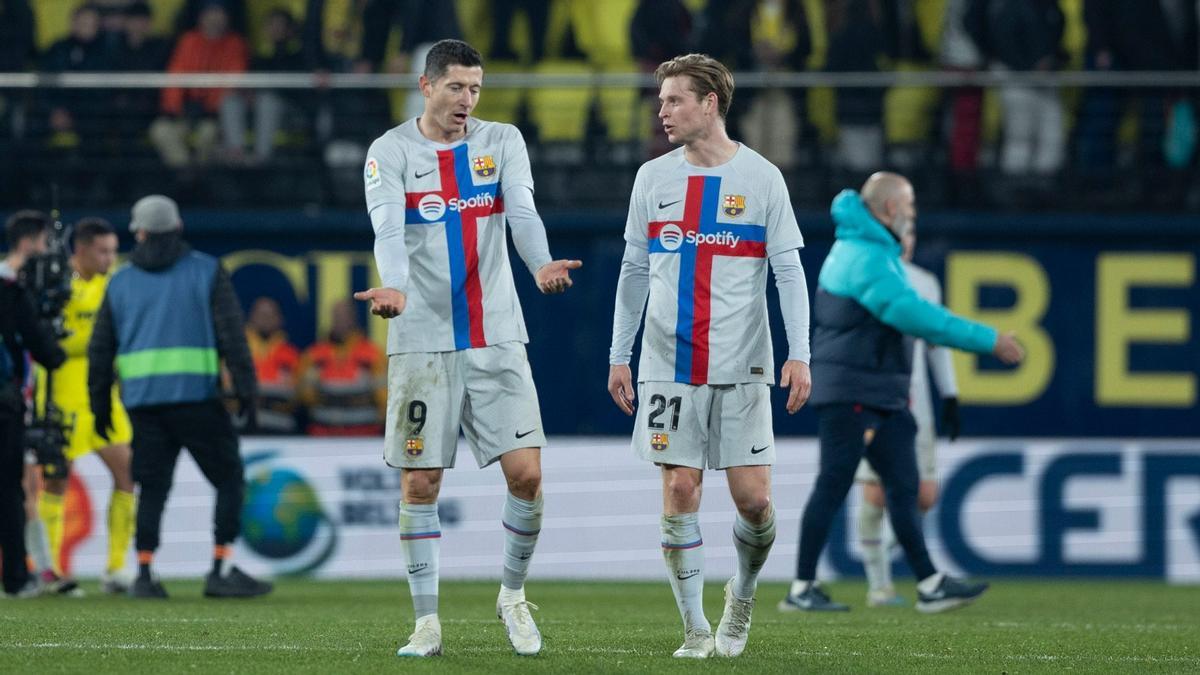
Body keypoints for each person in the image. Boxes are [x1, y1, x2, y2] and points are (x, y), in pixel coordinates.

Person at [353, 38, 581, 658]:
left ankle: (512, 594)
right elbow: (388, 229)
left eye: (475, 88)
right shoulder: (390, 151)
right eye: (455, 87)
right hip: (422, 338)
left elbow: (523, 212)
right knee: (420, 482)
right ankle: (427, 622)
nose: (467, 99)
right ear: (425, 87)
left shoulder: (501, 141)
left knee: (527, 475)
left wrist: (537, 266)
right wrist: (395, 287)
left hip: (497, 332)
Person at [608, 53, 812, 659]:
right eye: (661, 100)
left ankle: (743, 592)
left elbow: (789, 273)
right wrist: (620, 354)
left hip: (743, 364)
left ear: (709, 104)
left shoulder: (762, 178)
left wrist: (799, 354)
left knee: (754, 502)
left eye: (674, 100)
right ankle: (696, 627)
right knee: (680, 490)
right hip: (667, 365)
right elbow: (633, 271)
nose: (662, 111)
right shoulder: (653, 179)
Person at [779, 172, 1024, 614]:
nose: (911, 216)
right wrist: (989, 340)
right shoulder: (867, 257)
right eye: (908, 208)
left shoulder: (864, 249)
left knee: (904, 486)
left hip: (877, 393)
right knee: (834, 485)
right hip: (854, 390)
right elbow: (916, 316)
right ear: (891, 209)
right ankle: (801, 589)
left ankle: (929, 583)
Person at [87, 194, 271, 600]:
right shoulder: (206, 271)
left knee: (150, 487)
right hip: (198, 400)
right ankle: (220, 569)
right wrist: (247, 393)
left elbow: (101, 351)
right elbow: (232, 338)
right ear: (178, 228)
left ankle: (145, 574)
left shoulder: (119, 282)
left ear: (139, 232)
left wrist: (98, 405)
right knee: (228, 480)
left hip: (143, 404)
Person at [854, 221, 959, 607]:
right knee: (876, 491)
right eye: (902, 232)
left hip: (918, 403)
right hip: (876, 397)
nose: (908, 240)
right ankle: (878, 585)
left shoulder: (926, 283)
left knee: (925, 495)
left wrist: (950, 393)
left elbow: (938, 340)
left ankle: (880, 562)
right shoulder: (863, 274)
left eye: (912, 232)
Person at [31, 218, 137, 595]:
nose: (111, 257)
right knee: (56, 481)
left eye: (113, 250)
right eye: (103, 251)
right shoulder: (57, 285)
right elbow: (47, 342)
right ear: (81, 249)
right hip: (62, 395)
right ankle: (51, 570)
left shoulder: (116, 284)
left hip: (103, 397)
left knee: (127, 474)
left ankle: (116, 569)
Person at [1, 212, 66, 598]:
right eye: (44, 243)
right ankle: (16, 578)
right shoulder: (12, 292)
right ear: (29, 242)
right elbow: (48, 353)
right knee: (10, 491)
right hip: (6, 404)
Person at [299, 298, 385, 436]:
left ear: (354, 318)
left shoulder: (373, 355)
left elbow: (384, 399)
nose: (340, 320)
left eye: (344, 316)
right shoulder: (314, 355)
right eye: (336, 316)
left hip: (364, 434)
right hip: (322, 433)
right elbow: (305, 397)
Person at [242, 296, 301, 434]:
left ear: (280, 319)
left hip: (281, 429)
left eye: (270, 315)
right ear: (251, 317)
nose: (265, 319)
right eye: (261, 315)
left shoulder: (292, 355)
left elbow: (301, 394)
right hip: (242, 429)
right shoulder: (238, 352)